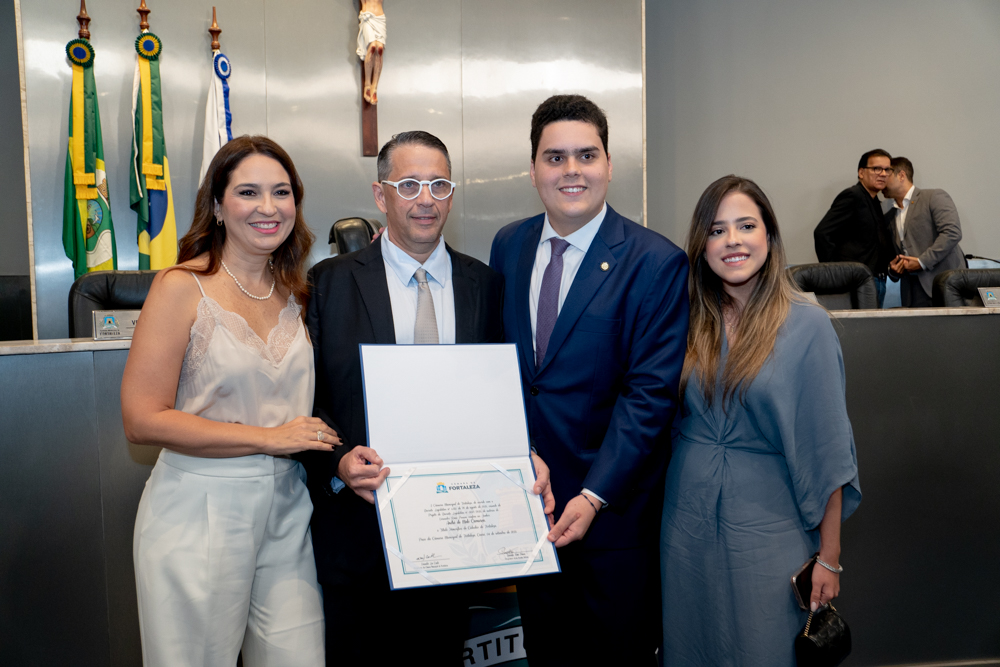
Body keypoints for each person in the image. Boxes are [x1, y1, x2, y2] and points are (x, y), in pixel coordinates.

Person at [300, 130, 554, 667]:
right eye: (410, 184)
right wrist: (337, 459)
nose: (425, 199)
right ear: (380, 194)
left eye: (439, 185)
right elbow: (306, 401)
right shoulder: (328, 284)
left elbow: (498, 394)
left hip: (453, 539)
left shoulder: (486, 286)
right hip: (358, 531)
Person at [489, 95, 690, 666]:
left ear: (608, 164)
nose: (571, 170)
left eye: (586, 155)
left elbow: (649, 396)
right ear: (533, 171)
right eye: (555, 157)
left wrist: (594, 495)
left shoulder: (655, 262)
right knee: (546, 654)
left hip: (612, 516)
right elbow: (507, 371)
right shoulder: (510, 245)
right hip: (531, 506)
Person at [122, 135, 335, 666]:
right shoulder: (181, 286)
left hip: (288, 508)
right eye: (248, 192)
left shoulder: (298, 293)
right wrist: (268, 438)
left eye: (282, 192)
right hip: (198, 510)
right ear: (217, 206)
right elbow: (141, 419)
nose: (268, 207)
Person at [661, 175, 862, 666]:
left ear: (769, 238)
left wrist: (829, 558)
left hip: (768, 530)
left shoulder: (807, 325)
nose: (732, 241)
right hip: (685, 524)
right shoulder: (687, 318)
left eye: (746, 226)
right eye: (716, 230)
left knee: (762, 647)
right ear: (701, 246)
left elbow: (828, 453)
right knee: (691, 646)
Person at [814, 148, 896, 306]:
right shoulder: (853, 195)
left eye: (887, 170)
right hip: (856, 282)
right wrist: (835, 274)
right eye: (876, 168)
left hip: (876, 280)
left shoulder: (875, 201)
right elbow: (822, 233)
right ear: (861, 172)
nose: (883, 174)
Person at [883, 156, 966, 307]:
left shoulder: (933, 197)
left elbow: (952, 232)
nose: (882, 180)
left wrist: (922, 262)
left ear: (901, 175)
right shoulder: (889, 217)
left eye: (886, 174)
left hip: (946, 286)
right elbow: (893, 256)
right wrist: (893, 271)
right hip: (912, 294)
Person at [357, 0, 385, 104]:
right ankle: (367, 85)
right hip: (367, 17)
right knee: (372, 46)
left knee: (380, 49)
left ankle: (375, 87)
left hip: (380, 18)